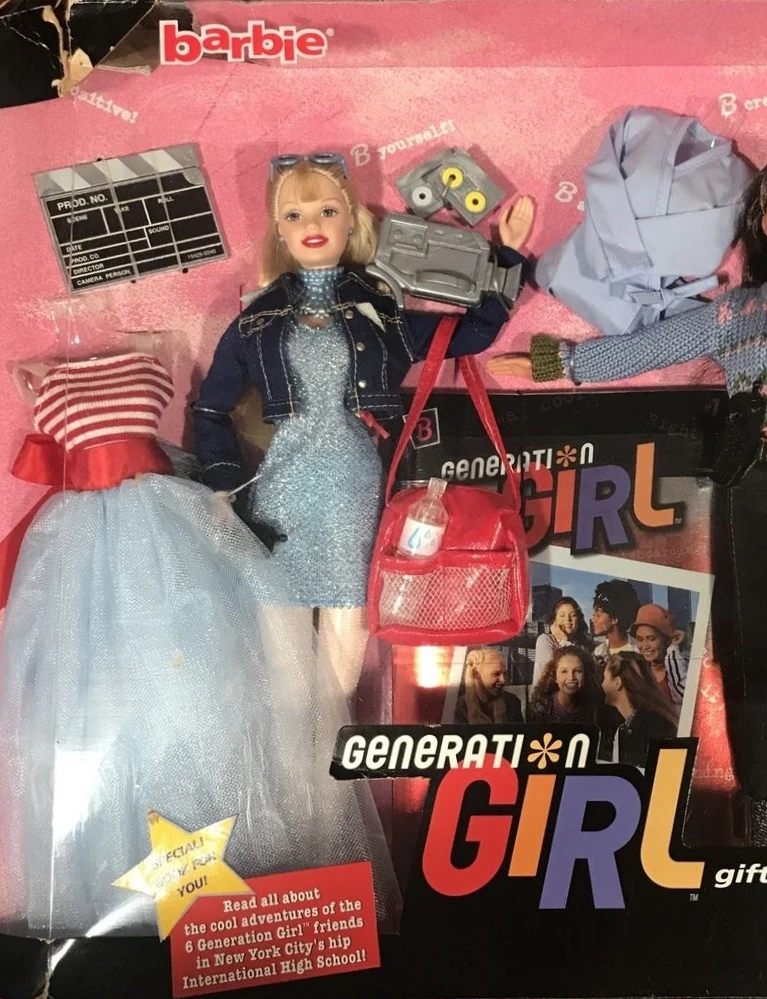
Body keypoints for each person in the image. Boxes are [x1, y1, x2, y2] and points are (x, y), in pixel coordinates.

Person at [489, 143, 767, 849]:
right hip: (755, 479)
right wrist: (559, 363)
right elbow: (653, 346)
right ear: (761, 222)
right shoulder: (739, 311)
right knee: (754, 650)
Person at [0, 347, 400, 936]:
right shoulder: (42, 386)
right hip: (85, 543)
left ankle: (242, 882)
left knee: (207, 691)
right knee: (94, 705)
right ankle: (123, 893)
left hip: (166, 515)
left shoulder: (150, 356)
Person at [193, 152, 534, 694]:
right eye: (294, 215)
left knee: (343, 647)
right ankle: (293, 743)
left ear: (351, 220)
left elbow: (470, 333)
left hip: (352, 488)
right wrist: (221, 485)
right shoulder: (255, 321)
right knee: (281, 656)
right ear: (279, 230)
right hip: (280, 491)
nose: (312, 225)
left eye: (327, 211)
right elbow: (210, 409)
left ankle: (333, 741)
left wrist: (508, 257)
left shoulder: (379, 314)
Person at [598, 652, 678, 768]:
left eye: (605, 678)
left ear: (617, 682)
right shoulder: (628, 727)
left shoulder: (653, 725)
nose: (602, 684)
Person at [628, 603, 689, 707]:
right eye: (640, 639)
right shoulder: (635, 672)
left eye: (651, 639)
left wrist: (673, 648)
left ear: (666, 639)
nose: (645, 646)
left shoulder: (684, 665)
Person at [527, 646, 601, 725]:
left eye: (577, 671)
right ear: (554, 676)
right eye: (564, 671)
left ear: (586, 675)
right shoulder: (541, 707)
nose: (571, 677)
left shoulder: (593, 707)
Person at [455, 647, 524, 724]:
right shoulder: (459, 709)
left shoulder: (512, 702)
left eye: (505, 674)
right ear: (476, 675)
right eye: (496, 674)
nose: (503, 680)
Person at [532, 596, 590, 687]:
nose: (568, 619)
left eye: (573, 615)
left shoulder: (582, 644)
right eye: (562, 615)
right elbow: (549, 677)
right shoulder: (545, 640)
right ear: (554, 620)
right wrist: (564, 639)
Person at [590, 579, 641, 660]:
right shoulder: (598, 652)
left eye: (598, 614)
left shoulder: (639, 650)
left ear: (615, 619)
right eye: (594, 614)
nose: (593, 619)